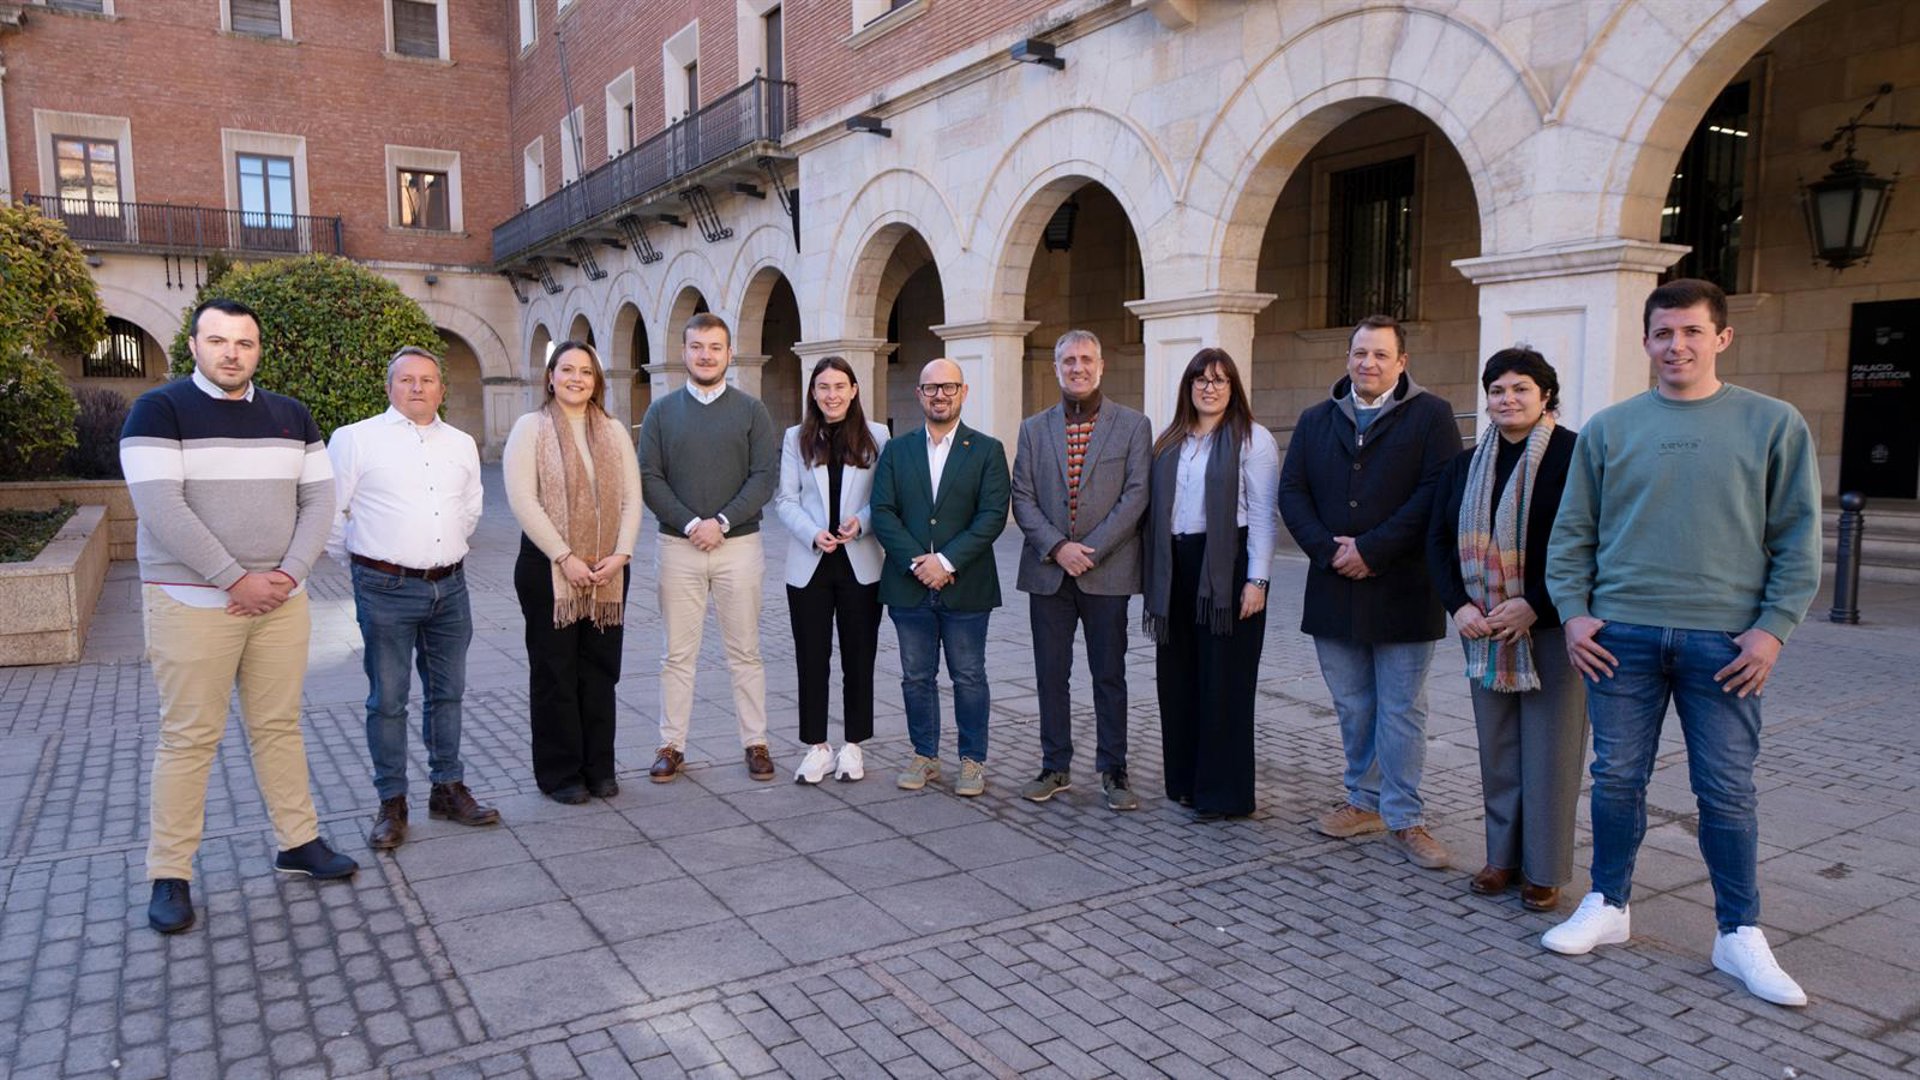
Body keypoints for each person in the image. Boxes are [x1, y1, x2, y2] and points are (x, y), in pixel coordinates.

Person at [1541, 279, 1821, 1008]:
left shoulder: (1773, 423)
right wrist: (1573, 613)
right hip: (1620, 637)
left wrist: (1773, 629)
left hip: (1726, 643)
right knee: (1615, 779)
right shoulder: (1610, 428)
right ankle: (1608, 904)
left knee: (1725, 789)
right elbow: (1573, 531)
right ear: (1646, 341)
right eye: (1664, 333)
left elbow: (1798, 537)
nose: (1677, 346)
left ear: (1722, 337)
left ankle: (1738, 932)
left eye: (1693, 331)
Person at [122, 297, 357, 935]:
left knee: (278, 726)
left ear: (258, 351)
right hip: (191, 601)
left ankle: (298, 842)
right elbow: (161, 508)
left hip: (281, 600)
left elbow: (320, 500)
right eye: (218, 340)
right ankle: (170, 873)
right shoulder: (158, 410)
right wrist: (236, 579)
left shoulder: (292, 415)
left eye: (244, 343)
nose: (232, 353)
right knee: (189, 737)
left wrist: (287, 574)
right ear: (193, 346)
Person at [1279, 315, 1460, 868]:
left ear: (1402, 362)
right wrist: (1329, 551)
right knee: (1353, 705)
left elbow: (1436, 492)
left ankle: (1405, 815)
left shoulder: (1432, 416)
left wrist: (1372, 550)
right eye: (1360, 353)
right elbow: (1292, 492)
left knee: (1402, 708)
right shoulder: (1315, 420)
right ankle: (1364, 800)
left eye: (1381, 354)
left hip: (1403, 586)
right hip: (1334, 586)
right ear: (1348, 358)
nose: (1369, 363)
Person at [1426, 347, 1582, 910]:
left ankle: (1544, 869)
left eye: (1521, 389)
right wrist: (1458, 607)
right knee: (1498, 749)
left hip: (1553, 628)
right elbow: (1437, 541)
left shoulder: (1575, 456)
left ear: (1546, 396)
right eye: (1497, 390)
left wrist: (1536, 605)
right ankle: (1502, 859)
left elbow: (1588, 545)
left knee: (1551, 751)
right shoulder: (1466, 465)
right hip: (1486, 631)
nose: (1507, 399)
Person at [326, 346, 500, 850]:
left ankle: (447, 788)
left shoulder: (461, 443)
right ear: (390, 387)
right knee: (388, 699)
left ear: (441, 389)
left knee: (448, 693)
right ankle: (392, 801)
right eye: (407, 379)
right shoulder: (355, 439)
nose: (418, 387)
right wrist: (367, 567)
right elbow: (331, 514)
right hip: (385, 589)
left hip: (451, 587)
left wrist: (439, 552)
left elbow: (470, 508)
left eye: (427, 379)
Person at [1011, 330, 1152, 812]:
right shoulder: (1033, 429)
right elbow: (1022, 497)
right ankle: (1055, 765)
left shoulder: (1133, 425)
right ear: (1056, 368)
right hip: (1048, 574)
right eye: (1068, 360)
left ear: (1101, 365)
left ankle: (1114, 769)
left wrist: (1088, 550)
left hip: (1106, 571)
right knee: (1051, 675)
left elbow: (1136, 494)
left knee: (1109, 675)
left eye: (1086, 359)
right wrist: (1058, 547)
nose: (1078, 367)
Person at [638, 313, 781, 782]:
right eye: (697, 346)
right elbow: (649, 477)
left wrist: (720, 522)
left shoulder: (751, 411)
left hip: (738, 545)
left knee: (746, 651)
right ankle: (671, 744)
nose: (705, 355)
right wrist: (690, 523)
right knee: (677, 654)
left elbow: (763, 477)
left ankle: (756, 742)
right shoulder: (660, 412)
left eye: (715, 347)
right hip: (677, 546)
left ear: (729, 353)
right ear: (683, 352)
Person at [1143, 348, 1278, 820]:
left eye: (1220, 380)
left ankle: (1223, 795)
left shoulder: (1252, 439)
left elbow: (1263, 515)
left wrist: (1257, 579)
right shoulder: (1170, 440)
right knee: (1178, 680)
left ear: (1233, 387)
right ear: (1188, 387)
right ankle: (1185, 782)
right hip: (1175, 568)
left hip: (1226, 568)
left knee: (1223, 684)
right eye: (1200, 379)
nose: (1209, 387)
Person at [504, 340, 641, 805]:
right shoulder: (530, 428)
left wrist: (622, 554)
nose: (576, 378)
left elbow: (631, 499)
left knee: (600, 671)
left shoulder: (614, 430)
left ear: (596, 380)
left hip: (608, 570)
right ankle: (561, 774)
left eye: (585, 371)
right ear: (551, 377)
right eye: (567, 369)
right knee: (555, 672)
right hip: (548, 570)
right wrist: (565, 556)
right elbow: (523, 500)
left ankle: (599, 768)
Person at [871, 358, 1011, 797]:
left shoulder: (987, 450)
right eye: (931, 388)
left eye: (949, 387)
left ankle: (972, 761)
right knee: (916, 677)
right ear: (919, 394)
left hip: (966, 585)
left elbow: (992, 515)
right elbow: (882, 511)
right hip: (908, 585)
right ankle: (925, 755)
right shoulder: (897, 450)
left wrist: (946, 562)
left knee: (968, 676)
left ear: (963, 392)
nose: (940, 395)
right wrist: (919, 562)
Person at [774, 356, 890, 783]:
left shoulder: (878, 435)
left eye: (840, 386)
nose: (832, 395)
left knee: (859, 658)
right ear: (813, 392)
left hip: (860, 564)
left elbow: (885, 496)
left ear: (854, 389)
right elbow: (785, 499)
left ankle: (854, 746)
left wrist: (862, 521)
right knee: (811, 658)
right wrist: (812, 533)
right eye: (823, 387)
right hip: (811, 564)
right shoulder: (796, 437)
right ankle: (817, 747)